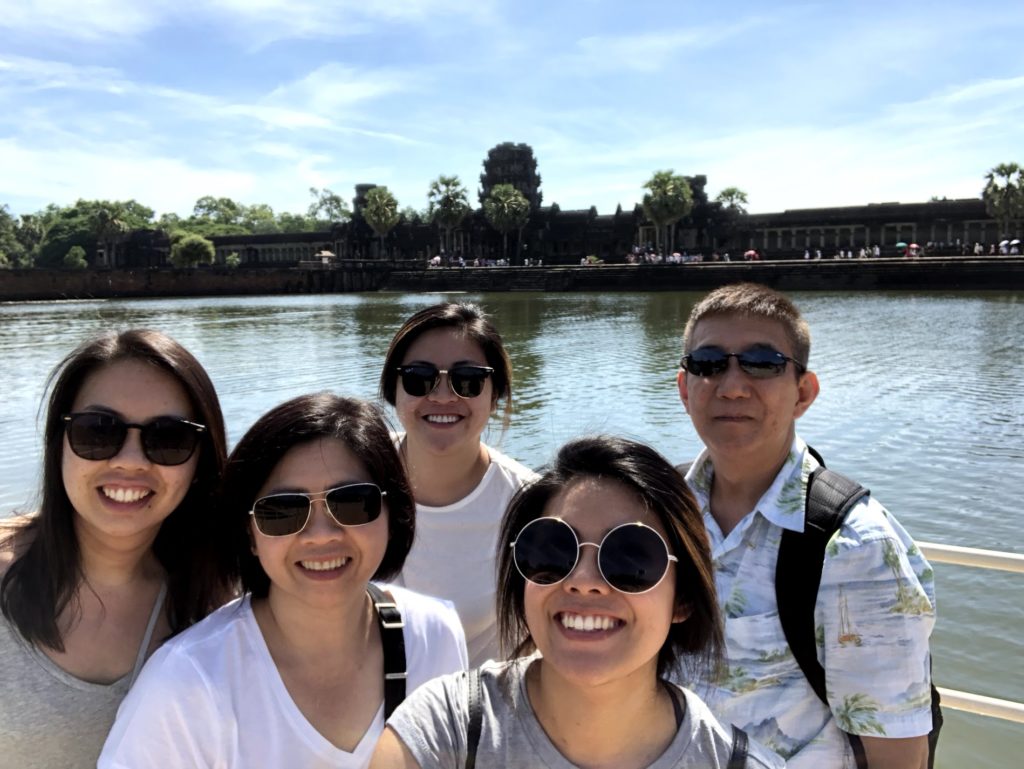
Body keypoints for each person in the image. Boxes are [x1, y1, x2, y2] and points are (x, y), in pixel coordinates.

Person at [99, 393, 468, 769]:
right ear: (249, 534)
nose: (321, 535)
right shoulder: (188, 682)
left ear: (393, 512)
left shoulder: (435, 637)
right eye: (282, 511)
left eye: (352, 502)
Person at [371, 436, 785, 769]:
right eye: (552, 551)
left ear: (684, 599)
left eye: (631, 559)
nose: (583, 583)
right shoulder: (444, 734)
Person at [674, 283, 935, 768]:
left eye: (762, 363)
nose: (731, 386)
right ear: (685, 389)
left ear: (803, 392)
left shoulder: (855, 547)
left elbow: (898, 754)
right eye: (708, 363)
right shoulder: (661, 513)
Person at [0, 329, 231, 769]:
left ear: (200, 462)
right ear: (58, 442)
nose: (130, 461)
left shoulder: (215, 604)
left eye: (169, 439)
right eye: (97, 431)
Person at [379, 303, 536, 665]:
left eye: (468, 380)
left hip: (470, 699)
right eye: (419, 377)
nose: (442, 396)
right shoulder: (348, 477)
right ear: (393, 389)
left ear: (495, 395)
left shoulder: (529, 507)